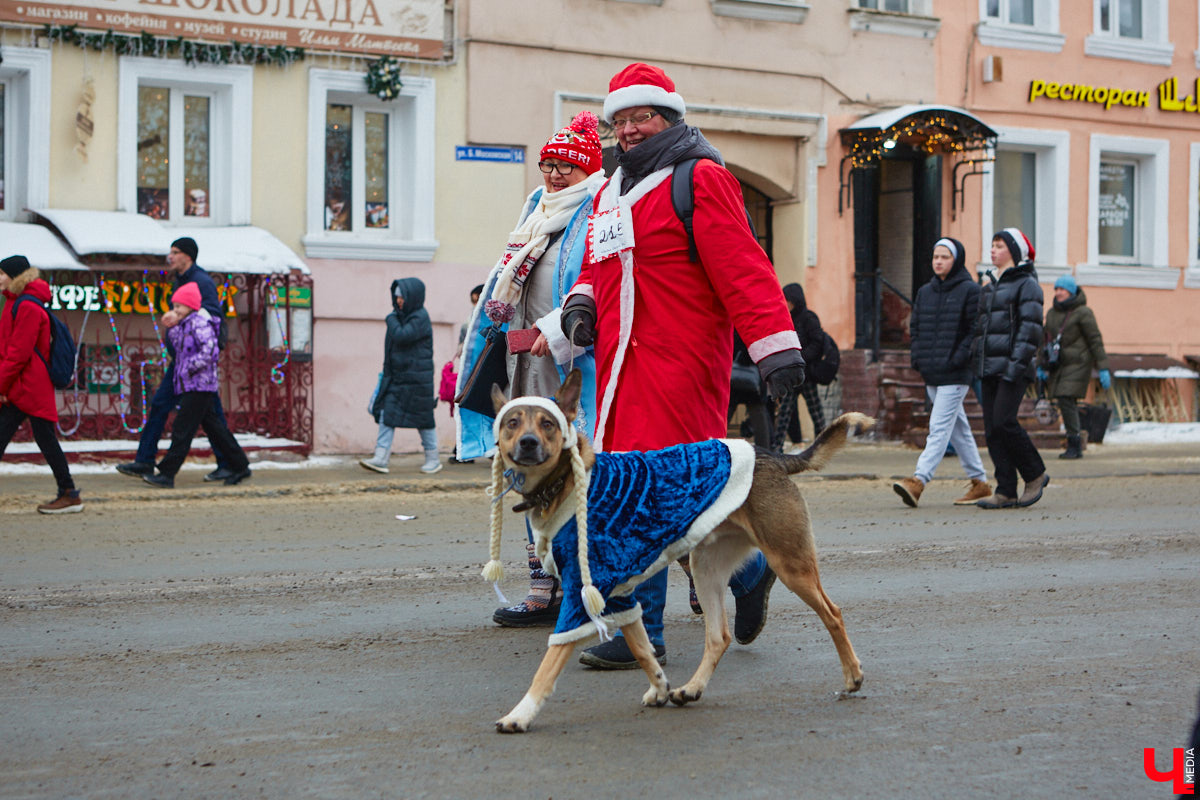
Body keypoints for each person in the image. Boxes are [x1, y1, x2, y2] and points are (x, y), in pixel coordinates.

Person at [559, 63, 806, 669]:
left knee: (665, 495)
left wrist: (776, 349)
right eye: (619, 120)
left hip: (680, 366)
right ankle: (737, 581)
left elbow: (742, 267)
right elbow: (594, 266)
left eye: (640, 117)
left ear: (668, 117)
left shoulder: (701, 178)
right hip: (619, 370)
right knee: (643, 493)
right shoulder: (610, 191)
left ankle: (667, 620)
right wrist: (581, 306)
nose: (628, 130)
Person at [457, 112, 605, 627]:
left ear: (588, 170)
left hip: (570, 369)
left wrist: (556, 330)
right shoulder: (536, 210)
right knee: (524, 470)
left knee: (580, 475)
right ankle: (543, 588)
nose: (555, 174)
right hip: (523, 363)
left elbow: (599, 288)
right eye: (549, 164)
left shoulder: (599, 210)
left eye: (567, 166)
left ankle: (586, 583)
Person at [116, 237, 246, 484]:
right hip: (183, 363)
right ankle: (148, 460)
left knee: (196, 420)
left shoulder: (201, 282)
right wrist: (174, 325)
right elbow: (184, 323)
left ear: (188, 256)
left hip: (194, 367)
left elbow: (211, 319)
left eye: (175, 252)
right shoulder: (181, 280)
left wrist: (196, 356)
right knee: (200, 416)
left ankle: (167, 469)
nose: (170, 257)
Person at [892, 238, 991, 508]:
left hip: (957, 373)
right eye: (936, 256)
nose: (938, 261)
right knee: (959, 429)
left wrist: (958, 359)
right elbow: (916, 328)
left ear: (956, 260)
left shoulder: (971, 290)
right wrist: (918, 359)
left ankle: (918, 481)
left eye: (945, 257)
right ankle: (980, 483)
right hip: (932, 371)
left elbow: (974, 331)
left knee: (938, 427)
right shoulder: (925, 292)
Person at [142, 284, 251, 489]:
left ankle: (167, 473)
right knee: (215, 428)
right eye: (174, 306)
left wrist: (188, 368)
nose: (175, 309)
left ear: (191, 305)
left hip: (200, 384)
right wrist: (172, 326)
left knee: (182, 429)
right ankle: (240, 465)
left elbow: (210, 351)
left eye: (179, 306)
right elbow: (177, 348)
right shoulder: (185, 323)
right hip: (192, 384)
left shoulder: (200, 322)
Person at [0, 255, 84, 513]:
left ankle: (69, 493)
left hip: (28, 386)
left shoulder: (26, 306)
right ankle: (68, 493)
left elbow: (18, 354)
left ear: (15, 277)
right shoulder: (16, 302)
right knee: (45, 438)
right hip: (22, 384)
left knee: (45, 439)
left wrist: (1, 386)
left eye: (1, 274)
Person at [973, 227, 1048, 509]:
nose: (993, 250)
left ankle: (1035, 473)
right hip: (989, 367)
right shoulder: (989, 285)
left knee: (1004, 421)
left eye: (1000, 246)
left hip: (1013, 367)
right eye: (992, 245)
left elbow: (1030, 331)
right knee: (993, 429)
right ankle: (1005, 490)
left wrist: (1015, 366)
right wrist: (977, 361)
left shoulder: (1027, 285)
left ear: (1014, 252)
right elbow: (981, 329)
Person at [360, 277, 441, 475]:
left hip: (417, 381)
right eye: (396, 297)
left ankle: (433, 459)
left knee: (423, 420)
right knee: (387, 415)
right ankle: (380, 458)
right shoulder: (400, 317)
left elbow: (402, 336)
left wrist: (390, 319)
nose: (398, 301)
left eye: (402, 297)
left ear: (412, 296)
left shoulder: (419, 317)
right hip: (398, 379)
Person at [1037, 275, 1111, 460]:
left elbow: (1095, 340)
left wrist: (1103, 367)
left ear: (1071, 291)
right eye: (1056, 289)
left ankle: (1074, 444)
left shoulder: (1083, 312)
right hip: (1058, 364)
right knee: (1063, 401)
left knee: (1065, 397)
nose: (1058, 293)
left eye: (1062, 289)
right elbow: (1045, 340)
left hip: (1078, 363)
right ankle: (1074, 443)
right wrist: (1040, 365)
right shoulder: (1052, 313)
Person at [773, 282, 827, 452]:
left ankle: (824, 447)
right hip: (791, 373)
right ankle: (776, 447)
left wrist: (801, 358)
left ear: (795, 300)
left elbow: (817, 343)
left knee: (815, 411)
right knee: (785, 412)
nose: (786, 303)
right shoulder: (786, 318)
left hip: (807, 373)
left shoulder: (809, 318)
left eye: (788, 300)